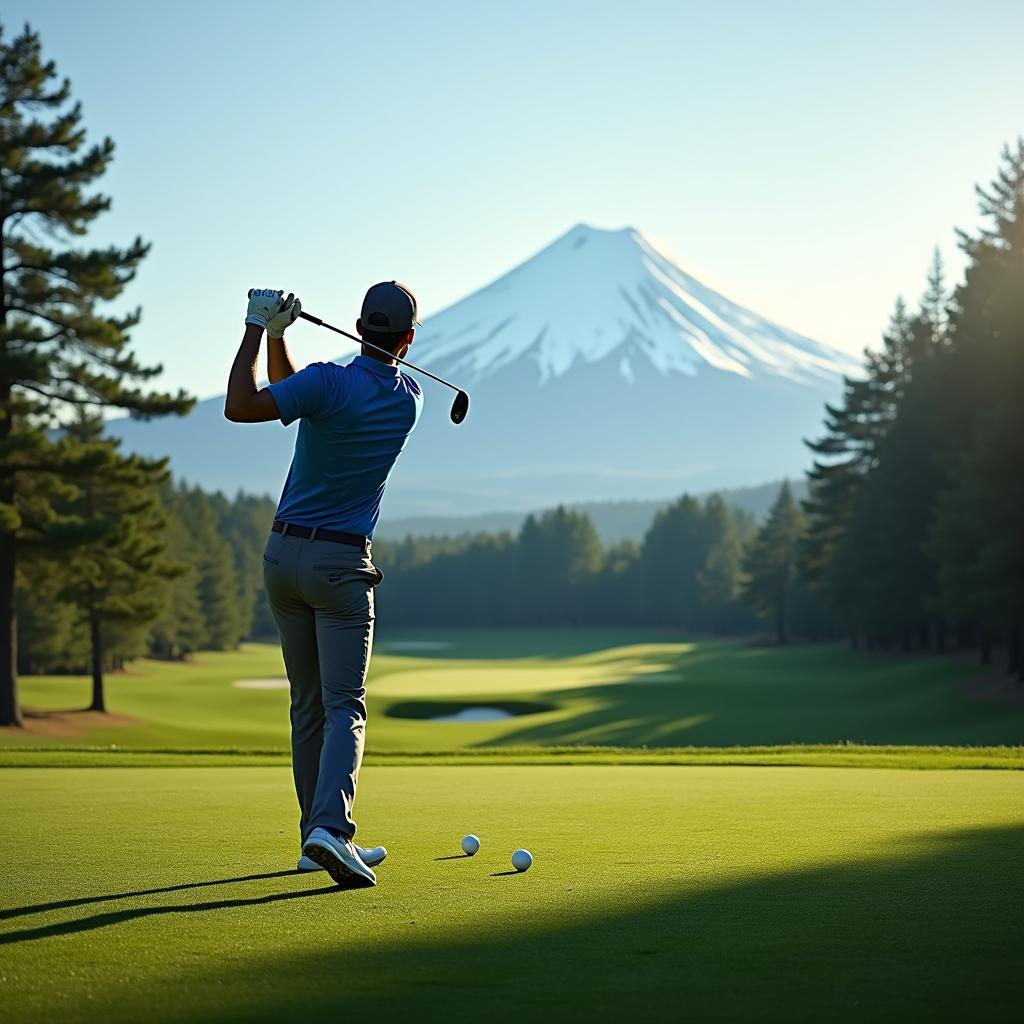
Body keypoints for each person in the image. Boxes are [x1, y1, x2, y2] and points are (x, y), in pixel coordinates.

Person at [224, 282, 423, 888]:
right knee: (345, 707)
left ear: (358, 326)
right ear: (408, 340)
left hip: (282, 558)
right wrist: (283, 338)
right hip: (340, 568)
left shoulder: (326, 383)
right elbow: (297, 394)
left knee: (308, 705)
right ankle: (330, 831)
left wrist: (260, 327)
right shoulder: (407, 399)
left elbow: (245, 404)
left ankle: (316, 835)